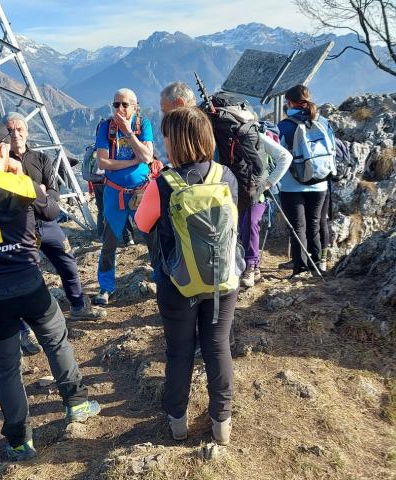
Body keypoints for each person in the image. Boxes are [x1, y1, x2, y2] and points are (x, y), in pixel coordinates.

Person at [0, 118, 101, 461]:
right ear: (0, 148)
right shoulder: (21, 186)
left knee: (7, 368)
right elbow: (51, 210)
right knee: (56, 340)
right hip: (29, 285)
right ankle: (77, 403)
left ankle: (19, 440)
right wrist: (17, 170)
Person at [135, 107, 239, 445]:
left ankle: (178, 421)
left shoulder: (163, 183)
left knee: (179, 351)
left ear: (176, 142)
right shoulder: (226, 176)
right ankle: (221, 423)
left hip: (177, 283)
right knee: (217, 346)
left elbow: (141, 224)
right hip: (222, 280)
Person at [2, 112, 105, 356]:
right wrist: (39, 194)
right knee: (23, 277)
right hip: (19, 229)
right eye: (10, 130)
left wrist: (34, 196)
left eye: (19, 129)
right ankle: (24, 331)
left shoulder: (40, 158)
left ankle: (79, 305)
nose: (15, 134)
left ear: (26, 131)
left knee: (67, 263)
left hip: (47, 224)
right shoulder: (1, 162)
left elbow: (54, 195)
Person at [93, 88, 154, 305]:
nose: (119, 108)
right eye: (116, 104)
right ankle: (105, 287)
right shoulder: (104, 127)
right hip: (114, 193)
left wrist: (128, 132)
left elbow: (147, 156)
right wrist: (132, 161)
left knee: (151, 237)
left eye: (125, 104)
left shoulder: (142, 125)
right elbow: (103, 163)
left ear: (135, 107)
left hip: (141, 192)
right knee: (109, 242)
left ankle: (160, 276)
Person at [277, 85, 335, 277]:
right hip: (320, 183)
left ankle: (300, 268)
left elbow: (278, 156)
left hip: (291, 185)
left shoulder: (284, 126)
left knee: (298, 227)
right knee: (315, 223)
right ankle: (317, 265)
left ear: (290, 102)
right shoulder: (324, 122)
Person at [239, 131, 293, 287]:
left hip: (258, 191)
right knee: (243, 227)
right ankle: (251, 266)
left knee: (250, 223)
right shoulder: (220, 133)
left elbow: (285, 157)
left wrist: (267, 184)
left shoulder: (254, 134)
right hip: (237, 190)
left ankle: (251, 266)